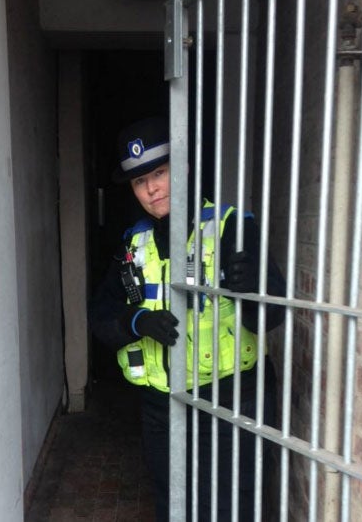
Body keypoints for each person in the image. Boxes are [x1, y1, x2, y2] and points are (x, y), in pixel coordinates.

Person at [89, 116, 286, 521]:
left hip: (231, 401)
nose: (151, 188)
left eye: (159, 172)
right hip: (163, 405)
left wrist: (254, 290)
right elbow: (102, 317)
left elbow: (274, 317)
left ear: (184, 168)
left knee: (233, 505)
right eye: (140, 181)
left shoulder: (231, 227)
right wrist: (137, 322)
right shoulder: (134, 242)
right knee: (175, 504)